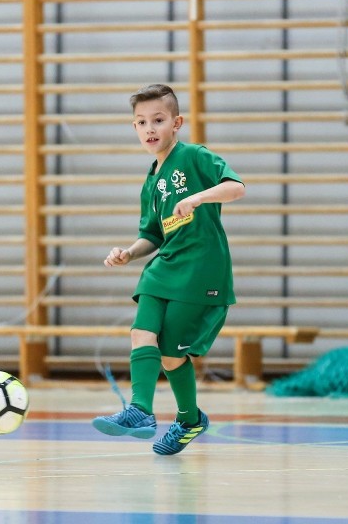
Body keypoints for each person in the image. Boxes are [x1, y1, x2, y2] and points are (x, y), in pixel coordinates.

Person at [92, 83, 245, 455]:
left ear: (176, 122)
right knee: (141, 333)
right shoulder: (150, 182)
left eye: (158, 120)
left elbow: (236, 187)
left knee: (173, 356)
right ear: (134, 128)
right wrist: (129, 252)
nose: (150, 129)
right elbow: (152, 234)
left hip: (201, 270)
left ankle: (190, 419)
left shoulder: (194, 157)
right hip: (165, 267)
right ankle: (140, 411)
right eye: (142, 122)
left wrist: (197, 197)